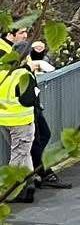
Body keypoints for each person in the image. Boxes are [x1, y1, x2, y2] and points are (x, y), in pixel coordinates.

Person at [21, 41, 65, 191]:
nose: (25, 35)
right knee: (32, 144)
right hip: (22, 112)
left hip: (33, 107)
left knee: (43, 136)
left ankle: (38, 170)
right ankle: (41, 173)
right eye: (21, 32)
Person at [1, 31, 38, 205]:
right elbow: (29, 99)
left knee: (23, 153)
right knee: (18, 155)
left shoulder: (2, 73)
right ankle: (9, 189)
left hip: (4, 121)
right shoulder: (24, 75)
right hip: (21, 121)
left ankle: (29, 184)